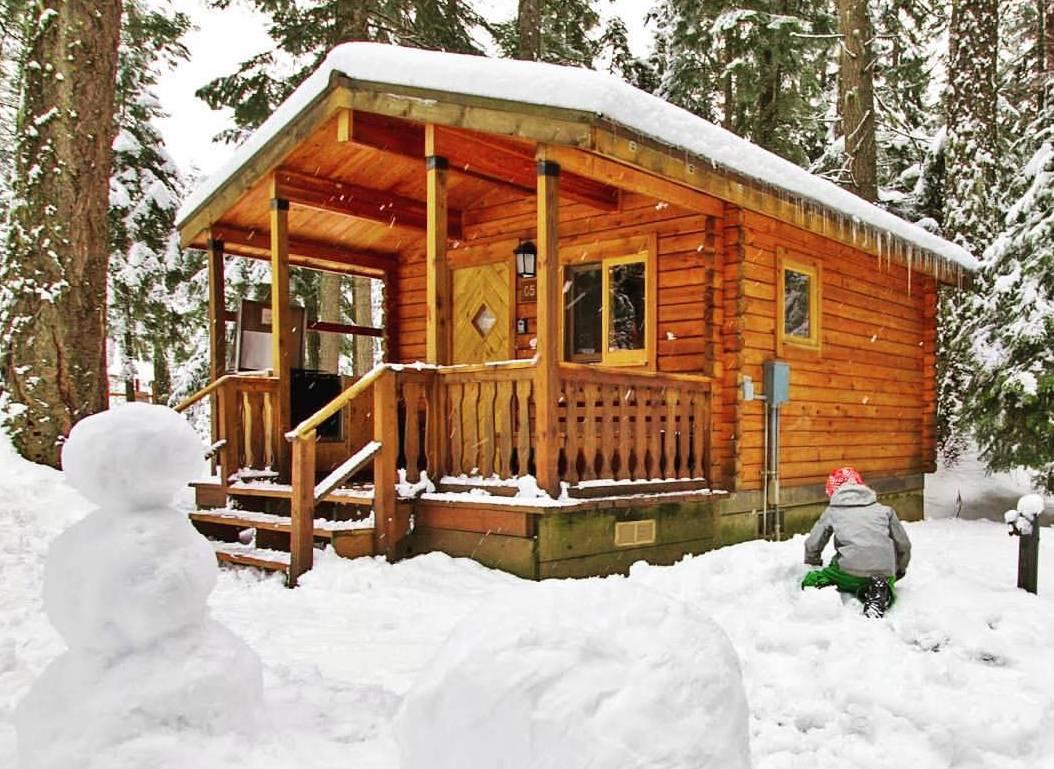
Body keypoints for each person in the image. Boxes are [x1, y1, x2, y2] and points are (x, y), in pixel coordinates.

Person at [801, 466, 912, 618]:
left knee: (811, 580)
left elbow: (813, 543)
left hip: (849, 572)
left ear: (833, 491)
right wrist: (899, 571)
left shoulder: (833, 512)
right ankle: (879, 591)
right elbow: (903, 544)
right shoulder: (885, 510)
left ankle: (829, 587)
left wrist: (812, 561)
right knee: (882, 580)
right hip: (884, 572)